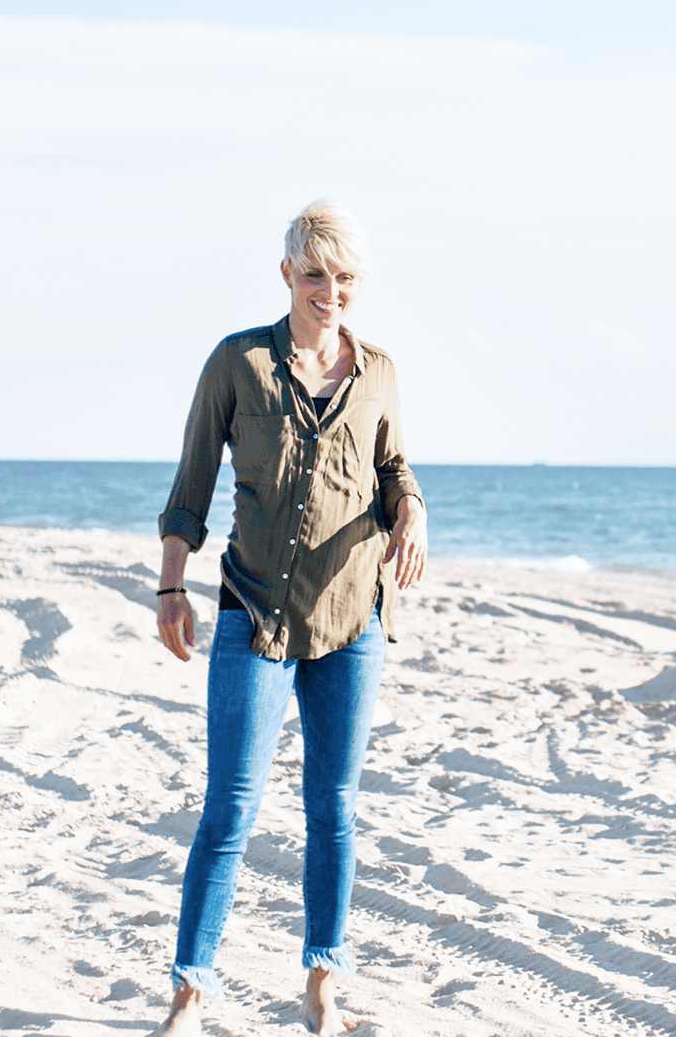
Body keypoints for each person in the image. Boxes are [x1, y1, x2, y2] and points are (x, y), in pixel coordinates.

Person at [153, 198, 430, 1037]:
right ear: (287, 273)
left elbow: (393, 467)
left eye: (345, 278)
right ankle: (189, 993)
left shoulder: (378, 371)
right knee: (230, 808)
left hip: (353, 619)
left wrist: (413, 512)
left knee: (333, 810)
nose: (330, 292)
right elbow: (191, 484)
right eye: (316, 274)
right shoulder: (237, 364)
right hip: (254, 612)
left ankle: (321, 987)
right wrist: (171, 588)